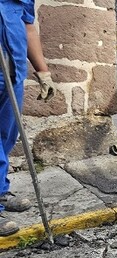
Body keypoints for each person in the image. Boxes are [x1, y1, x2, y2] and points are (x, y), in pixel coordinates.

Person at [0, 0, 55, 236]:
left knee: (6, 137)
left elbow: (28, 27)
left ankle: (0, 191)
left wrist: (43, 71)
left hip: (12, 75)